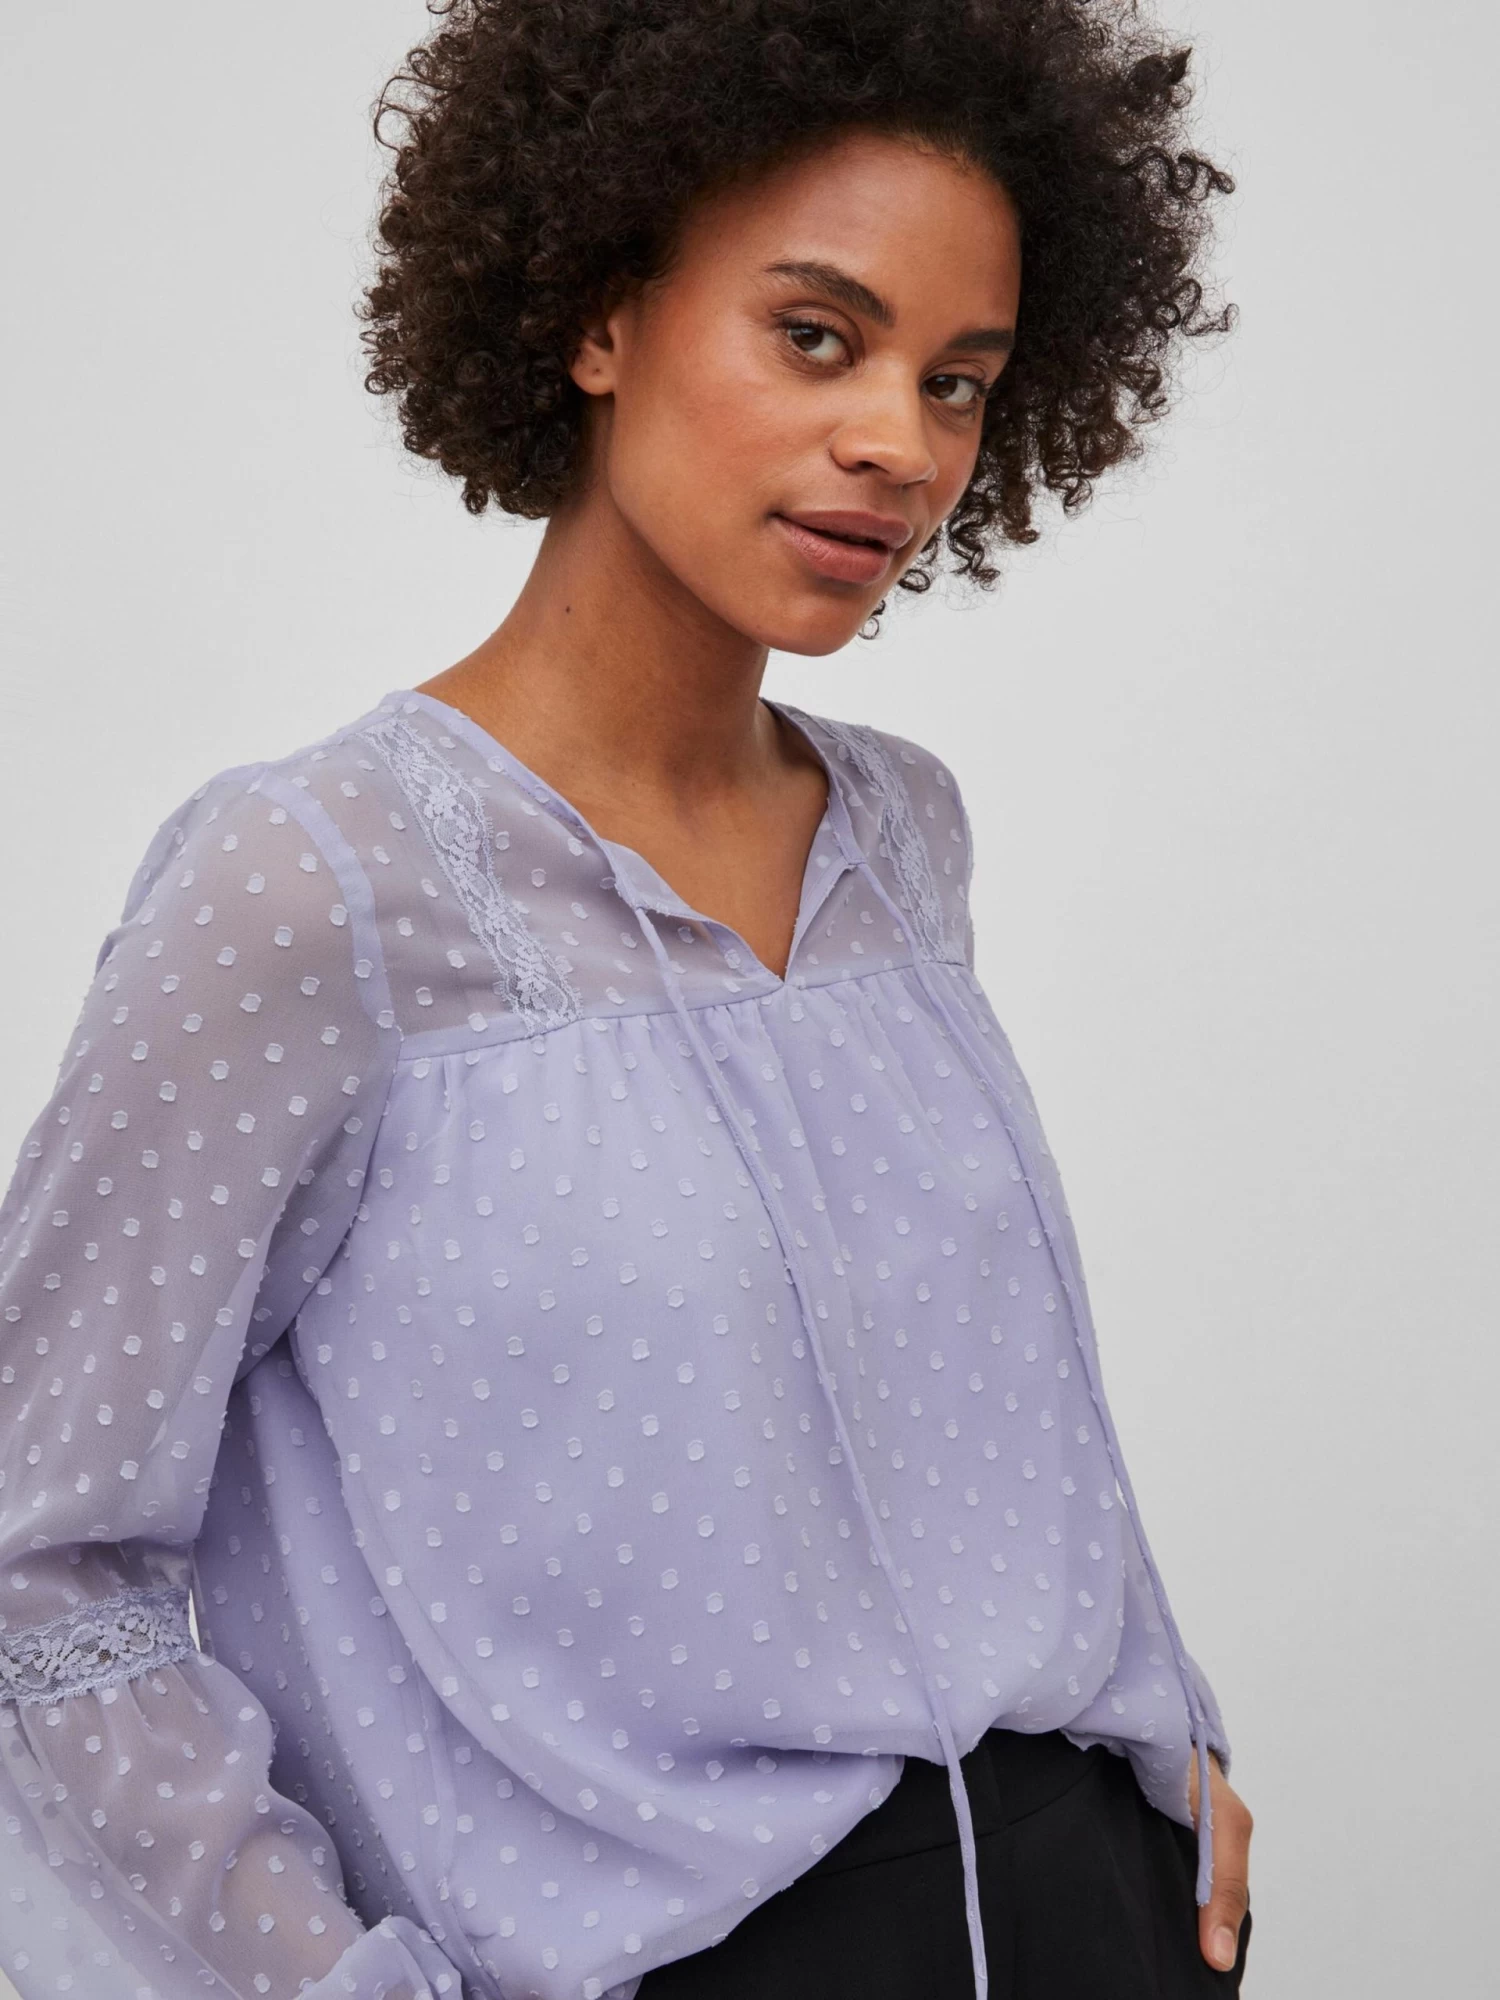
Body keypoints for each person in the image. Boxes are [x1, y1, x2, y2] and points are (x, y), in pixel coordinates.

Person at [0, 3, 1252, 1997]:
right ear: (600, 315)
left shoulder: (903, 836)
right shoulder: (316, 888)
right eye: (817, 336)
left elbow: (994, 1423)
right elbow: (41, 1556)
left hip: (1097, 1915)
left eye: (958, 381)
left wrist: (1166, 1736)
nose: (900, 444)